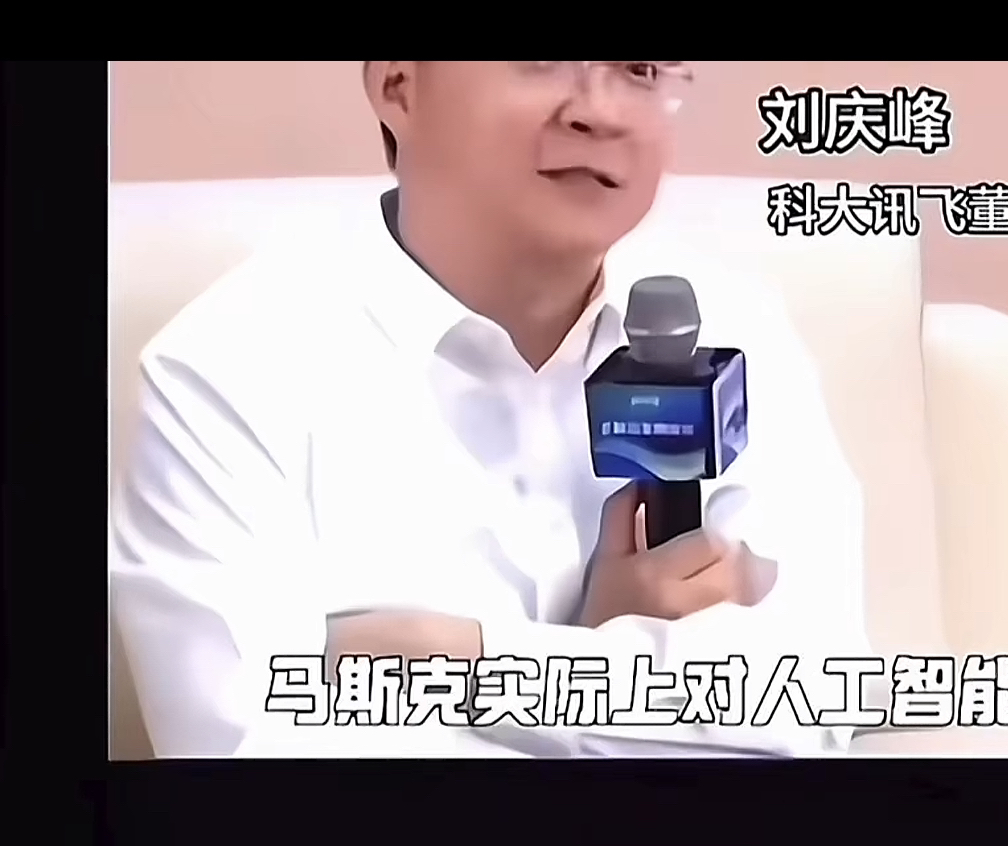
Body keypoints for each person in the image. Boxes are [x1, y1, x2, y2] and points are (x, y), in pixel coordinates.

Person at [111, 61, 870, 757]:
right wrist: (620, 670)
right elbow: (257, 758)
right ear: (398, 84)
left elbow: (821, 696)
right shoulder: (229, 369)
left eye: (639, 69)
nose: (600, 111)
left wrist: (461, 660)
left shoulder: (733, 330)